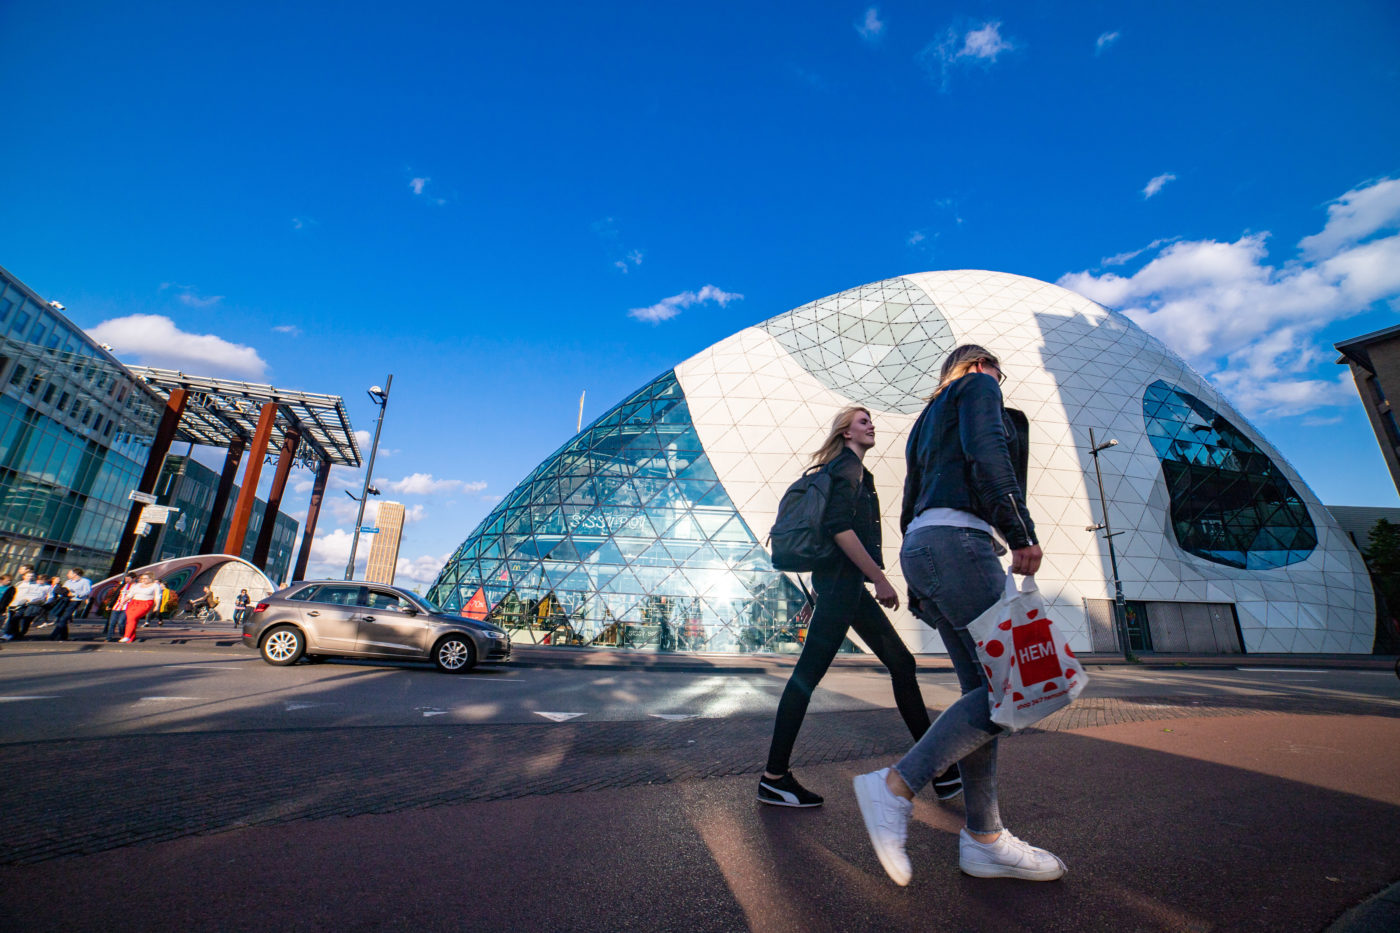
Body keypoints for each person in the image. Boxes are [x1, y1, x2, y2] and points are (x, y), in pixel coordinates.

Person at [852, 345, 1064, 886]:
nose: (1001, 382)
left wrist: (921, 582)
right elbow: (989, 451)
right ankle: (896, 786)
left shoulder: (926, 419)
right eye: (999, 371)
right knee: (1020, 689)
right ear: (975, 365)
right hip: (963, 544)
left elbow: (909, 497)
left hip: (927, 547)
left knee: (985, 697)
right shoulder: (977, 386)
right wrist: (1019, 530)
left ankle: (985, 839)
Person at [759, 406, 961, 808]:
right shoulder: (848, 467)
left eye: (870, 421)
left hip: (843, 588)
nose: (872, 426)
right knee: (805, 678)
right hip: (842, 587)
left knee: (902, 664)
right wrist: (880, 578)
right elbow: (838, 529)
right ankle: (774, 777)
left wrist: (841, 587)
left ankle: (935, 769)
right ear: (846, 431)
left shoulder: (845, 469)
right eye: (863, 421)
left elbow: (835, 535)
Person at [3, 571, 51, 640]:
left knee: (23, 620)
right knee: (13, 619)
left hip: (26, 605)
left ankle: (15, 634)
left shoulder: (35, 585)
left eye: (31, 576)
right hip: (14, 603)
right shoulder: (19, 584)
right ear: (24, 576)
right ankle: (10, 633)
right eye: (28, 576)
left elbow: (39, 595)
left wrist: (41, 602)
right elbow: (11, 593)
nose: (30, 577)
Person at [47, 568, 91, 641]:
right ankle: (64, 637)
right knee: (61, 617)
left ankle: (53, 636)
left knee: (64, 618)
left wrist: (75, 594)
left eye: (69, 573)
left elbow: (87, 591)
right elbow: (64, 590)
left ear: (75, 574)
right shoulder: (68, 582)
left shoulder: (85, 581)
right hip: (65, 600)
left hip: (75, 601)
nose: (67, 575)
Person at [119, 573, 162, 642]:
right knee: (131, 620)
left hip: (145, 603)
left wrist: (157, 606)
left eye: (145, 578)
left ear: (151, 579)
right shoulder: (137, 585)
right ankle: (131, 637)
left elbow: (157, 596)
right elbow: (130, 594)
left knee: (133, 617)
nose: (143, 580)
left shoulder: (155, 586)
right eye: (142, 579)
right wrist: (123, 601)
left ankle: (127, 636)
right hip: (133, 603)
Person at [104, 575, 137, 641]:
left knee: (121, 622)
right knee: (112, 622)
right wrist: (110, 605)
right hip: (117, 606)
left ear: (133, 578)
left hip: (127, 607)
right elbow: (116, 595)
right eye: (126, 579)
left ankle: (123, 635)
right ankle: (109, 637)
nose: (127, 581)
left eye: (128, 579)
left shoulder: (136, 586)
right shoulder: (122, 586)